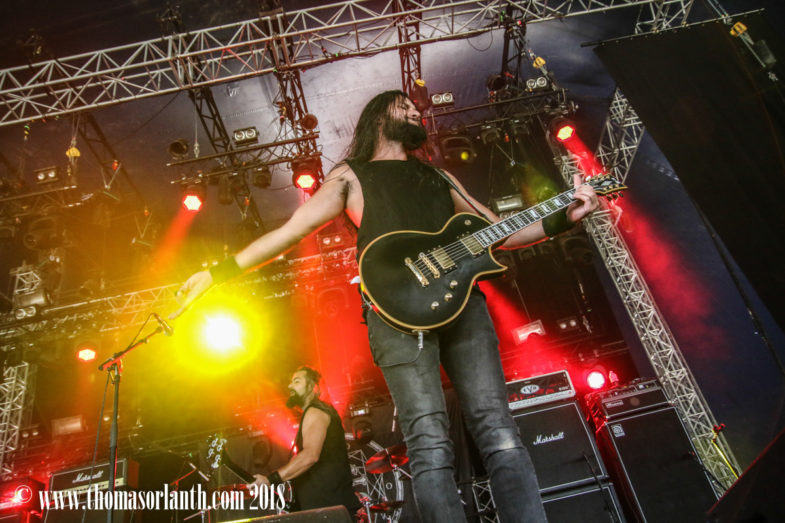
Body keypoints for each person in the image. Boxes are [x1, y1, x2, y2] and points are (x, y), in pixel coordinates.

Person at [171, 90, 600, 522]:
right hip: (396, 315)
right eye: (404, 105)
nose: (415, 110)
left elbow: (498, 230)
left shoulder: (438, 177)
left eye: (416, 108)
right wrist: (216, 274)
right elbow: (291, 232)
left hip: (463, 304)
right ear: (379, 117)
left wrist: (563, 216)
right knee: (429, 443)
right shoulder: (351, 176)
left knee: (499, 430)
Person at [251, 366, 361, 514]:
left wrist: (270, 480)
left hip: (328, 509)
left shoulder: (316, 411)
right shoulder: (318, 411)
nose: (290, 386)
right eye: (291, 382)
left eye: (297, 381)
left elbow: (310, 455)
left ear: (313, 387)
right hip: (326, 507)